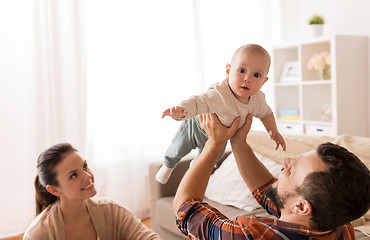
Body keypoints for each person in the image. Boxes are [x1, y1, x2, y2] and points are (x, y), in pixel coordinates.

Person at [173, 113, 370, 239]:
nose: (286, 161)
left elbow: (185, 209)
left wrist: (214, 144)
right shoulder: (340, 227)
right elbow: (268, 191)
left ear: (301, 206)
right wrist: (239, 142)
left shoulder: (251, 237)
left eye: (292, 169)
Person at [156, 44, 286, 184]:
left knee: (211, 163)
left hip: (221, 137)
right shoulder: (219, 94)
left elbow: (266, 113)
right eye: (242, 70)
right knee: (178, 147)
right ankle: (168, 166)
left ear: (264, 81)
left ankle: (193, 170)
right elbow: (197, 101)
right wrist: (181, 110)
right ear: (228, 71)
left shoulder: (258, 100)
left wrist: (273, 131)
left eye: (256, 75)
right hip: (195, 127)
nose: (248, 78)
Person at [23, 143, 161, 240]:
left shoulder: (111, 209)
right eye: (73, 175)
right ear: (54, 189)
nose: (87, 176)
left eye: (85, 167)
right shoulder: (38, 234)